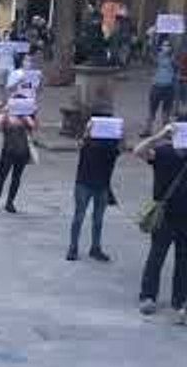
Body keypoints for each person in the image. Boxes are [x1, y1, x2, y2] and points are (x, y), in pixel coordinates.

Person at [134, 119, 187, 321]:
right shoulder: (164, 152)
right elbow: (138, 151)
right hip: (165, 216)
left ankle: (179, 300)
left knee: (184, 262)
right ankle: (148, 296)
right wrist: (158, 136)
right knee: (156, 257)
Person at [67, 116, 121, 262]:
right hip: (96, 185)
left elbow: (80, 143)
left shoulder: (95, 144)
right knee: (91, 219)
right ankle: (87, 248)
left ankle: (78, 248)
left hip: (89, 184)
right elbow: (80, 143)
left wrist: (89, 129)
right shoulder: (108, 145)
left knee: (84, 217)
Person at [0, 97, 36, 212]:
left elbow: (34, 127)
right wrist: (2, 113)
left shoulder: (26, 117)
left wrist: (30, 115)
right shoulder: (5, 116)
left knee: (16, 177)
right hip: (8, 151)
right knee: (2, 176)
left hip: (22, 151)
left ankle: (10, 202)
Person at [142, 39, 176, 137]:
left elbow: (178, 51)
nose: (166, 47)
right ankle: (147, 130)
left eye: (168, 45)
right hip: (156, 86)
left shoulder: (173, 58)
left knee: (166, 112)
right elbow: (150, 51)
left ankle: (166, 132)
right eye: (164, 45)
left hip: (168, 88)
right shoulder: (157, 57)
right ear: (161, 47)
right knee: (152, 110)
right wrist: (155, 35)